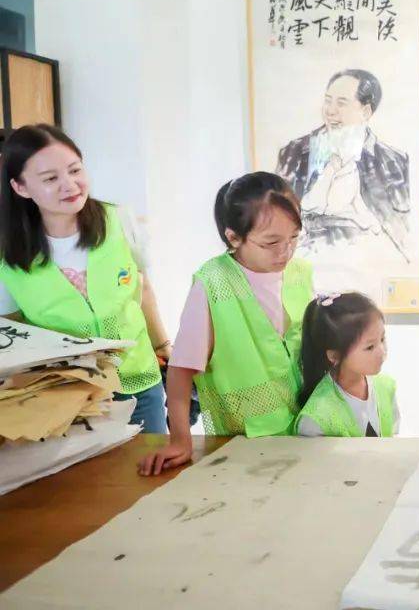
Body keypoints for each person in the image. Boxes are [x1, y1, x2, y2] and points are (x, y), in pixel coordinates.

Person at [138, 172, 313, 475]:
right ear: (234, 237)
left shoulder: (300, 272)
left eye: (294, 237)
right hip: (243, 447)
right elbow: (180, 371)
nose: (285, 251)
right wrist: (180, 440)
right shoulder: (212, 284)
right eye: (271, 242)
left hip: (304, 435)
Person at [0, 124, 170, 432]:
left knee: (154, 461)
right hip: (68, 398)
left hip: (140, 383)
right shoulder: (7, 257)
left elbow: (143, 289)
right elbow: (13, 331)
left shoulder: (118, 219)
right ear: (21, 187)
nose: (70, 185)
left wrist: (164, 346)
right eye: (51, 178)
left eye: (75, 170)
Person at [276, 69, 410, 258]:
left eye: (341, 103)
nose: (330, 111)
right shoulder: (294, 153)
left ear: (365, 112)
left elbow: (402, 234)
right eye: (328, 101)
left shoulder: (393, 162)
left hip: (365, 256)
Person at [294, 292, 400, 437]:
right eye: (370, 347)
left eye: (382, 339)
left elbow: (393, 437)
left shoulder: (385, 387)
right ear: (335, 355)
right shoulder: (316, 418)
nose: (382, 351)